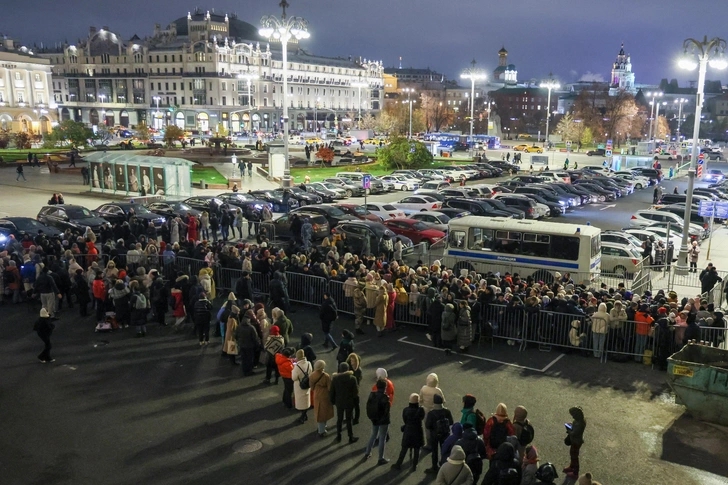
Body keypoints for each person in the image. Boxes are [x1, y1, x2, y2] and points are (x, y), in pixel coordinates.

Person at [391, 393, 425, 472]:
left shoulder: (406, 410)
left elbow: (405, 419)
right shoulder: (421, 410)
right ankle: (414, 465)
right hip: (418, 431)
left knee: (404, 448)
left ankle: (398, 464)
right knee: (417, 449)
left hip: (408, 430)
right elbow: (422, 418)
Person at [330, 362, 360, 444]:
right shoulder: (352, 378)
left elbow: (332, 391)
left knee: (339, 419)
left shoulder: (335, 379)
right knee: (349, 420)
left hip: (339, 402)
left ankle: (338, 436)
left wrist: (332, 401)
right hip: (349, 402)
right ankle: (350, 436)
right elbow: (355, 392)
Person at [364, 378, 391, 465]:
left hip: (374, 418)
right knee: (382, 438)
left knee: (373, 435)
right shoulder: (385, 398)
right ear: (385, 387)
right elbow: (386, 412)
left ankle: (367, 452)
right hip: (383, 421)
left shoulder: (372, 395)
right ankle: (380, 458)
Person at [425, 394, 454, 474]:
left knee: (434, 452)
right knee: (444, 451)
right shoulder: (447, 411)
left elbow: (427, 425)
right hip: (445, 434)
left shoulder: (431, 413)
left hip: (434, 435)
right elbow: (451, 422)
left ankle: (434, 467)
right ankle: (444, 466)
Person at [419, 372, 445, 450]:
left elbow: (420, 399)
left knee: (427, 427)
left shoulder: (423, 388)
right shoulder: (438, 391)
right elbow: (443, 400)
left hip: (426, 410)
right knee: (437, 427)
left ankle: (429, 443)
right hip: (436, 410)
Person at [310, 359, 334, 437]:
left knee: (319, 412)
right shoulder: (326, 376)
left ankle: (321, 427)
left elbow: (312, 386)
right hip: (325, 395)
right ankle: (322, 430)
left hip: (317, 394)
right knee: (324, 412)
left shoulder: (312, 375)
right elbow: (330, 387)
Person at [236, 308, 261, 376]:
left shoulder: (239, 326)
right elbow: (255, 337)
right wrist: (258, 344)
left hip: (242, 345)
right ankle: (249, 371)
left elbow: (236, 335)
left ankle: (244, 370)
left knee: (244, 359)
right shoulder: (251, 327)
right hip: (250, 346)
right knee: (249, 359)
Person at [563, 406, 586, 479]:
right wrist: (571, 425)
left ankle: (575, 472)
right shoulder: (579, 421)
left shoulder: (580, 424)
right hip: (574, 441)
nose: (572, 416)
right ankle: (571, 467)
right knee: (572, 454)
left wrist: (568, 429)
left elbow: (574, 433)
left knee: (574, 456)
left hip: (576, 442)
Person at [292, 349, 313, 424]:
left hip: (299, 386)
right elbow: (311, 372)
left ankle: (303, 416)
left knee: (300, 402)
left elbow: (294, 377)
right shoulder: (308, 363)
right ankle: (305, 415)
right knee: (306, 399)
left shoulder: (297, 366)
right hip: (307, 383)